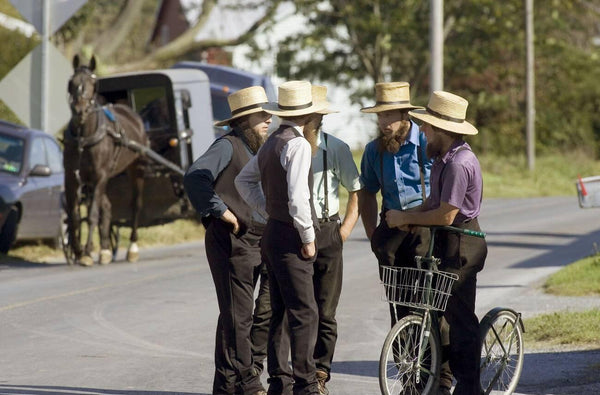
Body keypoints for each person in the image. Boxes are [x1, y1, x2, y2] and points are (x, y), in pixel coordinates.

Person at [385, 90, 487, 395]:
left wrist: (404, 219)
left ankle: (470, 387)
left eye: (428, 127)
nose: (424, 131)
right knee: (437, 312)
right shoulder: (442, 158)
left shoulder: (458, 163)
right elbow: (432, 203)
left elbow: (446, 215)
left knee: (460, 318)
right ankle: (439, 382)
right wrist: (406, 215)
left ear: (443, 130)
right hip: (445, 239)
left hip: (463, 240)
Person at [235, 80, 327, 395]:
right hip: (289, 234)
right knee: (305, 311)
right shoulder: (298, 144)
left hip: (273, 232)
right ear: (309, 115)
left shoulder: (273, 140)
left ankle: (280, 381)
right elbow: (299, 198)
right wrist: (307, 235)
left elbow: (243, 180)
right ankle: (305, 385)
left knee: (280, 309)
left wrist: (267, 211)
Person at [183, 86, 272, 395]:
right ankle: (249, 384)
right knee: (238, 316)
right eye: (262, 115)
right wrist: (223, 212)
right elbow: (195, 176)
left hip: (260, 240)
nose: (268, 120)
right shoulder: (227, 145)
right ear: (245, 120)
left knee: (244, 314)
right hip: (231, 239)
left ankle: (225, 385)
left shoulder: (261, 148)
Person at [358, 81, 432, 320]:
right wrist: (372, 234)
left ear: (405, 115)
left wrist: (416, 217)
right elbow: (367, 192)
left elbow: (442, 189)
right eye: (379, 116)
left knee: (427, 300)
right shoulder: (373, 150)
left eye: (388, 115)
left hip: (426, 227)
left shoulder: (425, 141)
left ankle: (434, 355)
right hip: (390, 229)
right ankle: (402, 356)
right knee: (397, 302)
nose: (383, 123)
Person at [307, 85, 361, 394]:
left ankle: (320, 373)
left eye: (312, 116)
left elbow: (357, 190)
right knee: (297, 309)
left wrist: (344, 231)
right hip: (293, 231)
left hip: (328, 230)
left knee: (325, 310)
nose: (307, 121)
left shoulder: (336, 148)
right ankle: (293, 373)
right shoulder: (285, 147)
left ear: (320, 118)